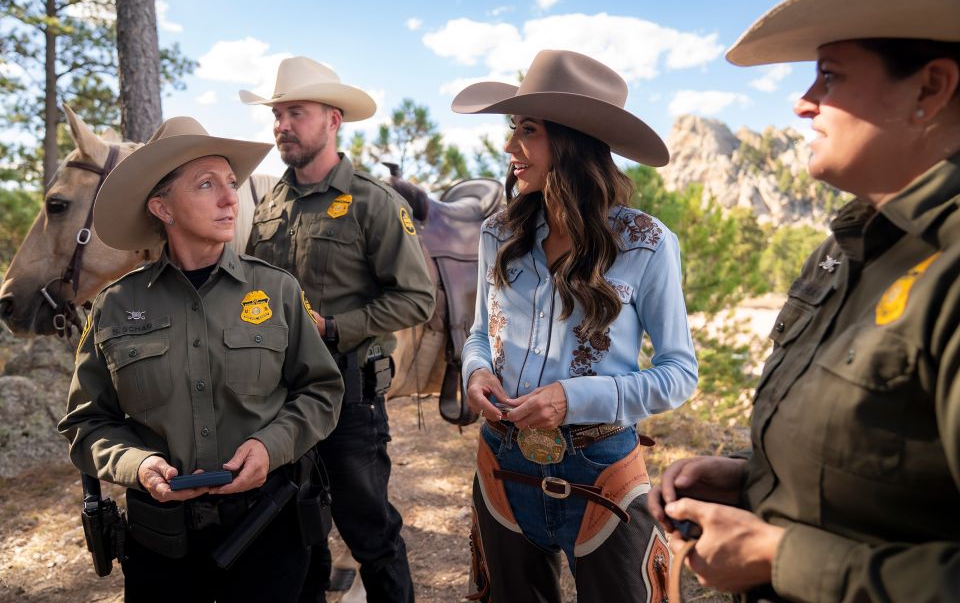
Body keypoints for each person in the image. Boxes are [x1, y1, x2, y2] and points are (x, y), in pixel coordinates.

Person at [648, 0, 960, 601]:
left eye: (832, 74)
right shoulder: (842, 254)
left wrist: (782, 558)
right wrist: (753, 481)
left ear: (930, 87)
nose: (803, 100)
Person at [58, 116, 345, 602]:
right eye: (206, 185)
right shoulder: (114, 305)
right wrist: (138, 462)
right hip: (160, 547)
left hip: (269, 532)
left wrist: (270, 446)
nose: (230, 198)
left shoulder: (276, 290)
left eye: (231, 184)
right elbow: (87, 424)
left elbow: (321, 391)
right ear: (162, 207)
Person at [453, 49, 699, 602]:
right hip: (502, 460)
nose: (511, 147)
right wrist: (475, 374)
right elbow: (478, 334)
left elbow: (679, 374)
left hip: (602, 472)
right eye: (513, 129)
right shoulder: (498, 232)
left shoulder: (646, 243)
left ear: (572, 140)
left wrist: (574, 398)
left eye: (528, 131)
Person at [241, 56, 436, 603]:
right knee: (298, 533)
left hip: (349, 398)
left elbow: (416, 299)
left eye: (295, 113)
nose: (282, 124)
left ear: (333, 119)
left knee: (369, 532)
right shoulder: (270, 203)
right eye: (277, 114)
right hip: (277, 399)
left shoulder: (375, 202)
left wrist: (333, 327)